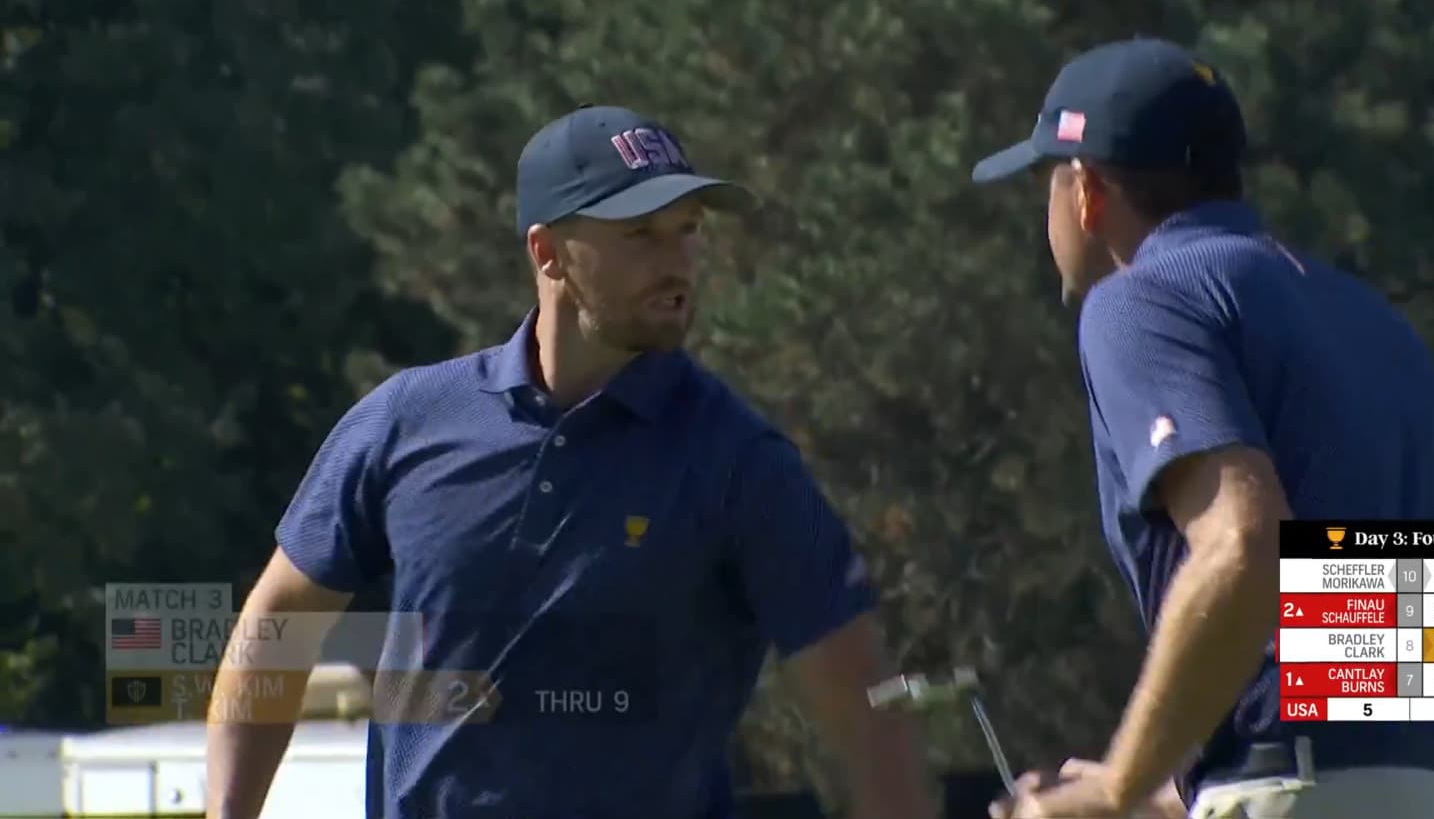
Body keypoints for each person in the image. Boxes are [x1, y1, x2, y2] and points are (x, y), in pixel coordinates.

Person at [205, 104, 942, 819]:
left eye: (687, 232)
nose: (677, 261)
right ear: (548, 252)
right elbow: (279, 619)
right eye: (641, 234)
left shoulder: (740, 462)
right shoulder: (406, 421)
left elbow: (861, 700)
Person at [968, 38, 1434, 819]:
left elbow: (1247, 547)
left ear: (1087, 192)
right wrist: (1179, 790)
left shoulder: (1141, 300)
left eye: (1048, 182)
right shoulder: (1377, 321)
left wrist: (1117, 788)